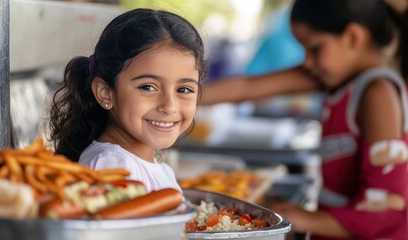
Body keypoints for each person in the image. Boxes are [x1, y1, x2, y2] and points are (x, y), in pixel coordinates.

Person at [201, 0, 408, 239]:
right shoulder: (336, 76)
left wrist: (303, 218)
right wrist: (179, 95)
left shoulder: (377, 92)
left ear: (352, 37)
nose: (307, 62)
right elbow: (246, 87)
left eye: (315, 48)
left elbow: (386, 210)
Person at [48, 8, 206, 193]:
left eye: (184, 89)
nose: (169, 106)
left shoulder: (160, 169)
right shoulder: (111, 167)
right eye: (148, 87)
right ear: (105, 92)